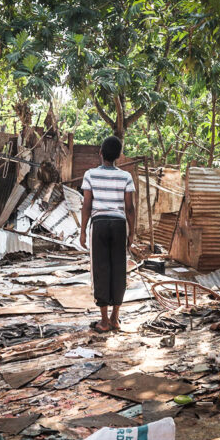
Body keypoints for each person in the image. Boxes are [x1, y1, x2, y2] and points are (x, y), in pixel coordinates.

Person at [79, 135, 136, 332]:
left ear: (101, 153)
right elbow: (130, 209)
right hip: (120, 225)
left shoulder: (90, 175)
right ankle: (115, 318)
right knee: (119, 270)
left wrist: (83, 232)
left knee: (101, 269)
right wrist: (132, 234)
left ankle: (103, 321)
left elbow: (87, 205)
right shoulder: (126, 177)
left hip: (100, 224)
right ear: (119, 156)